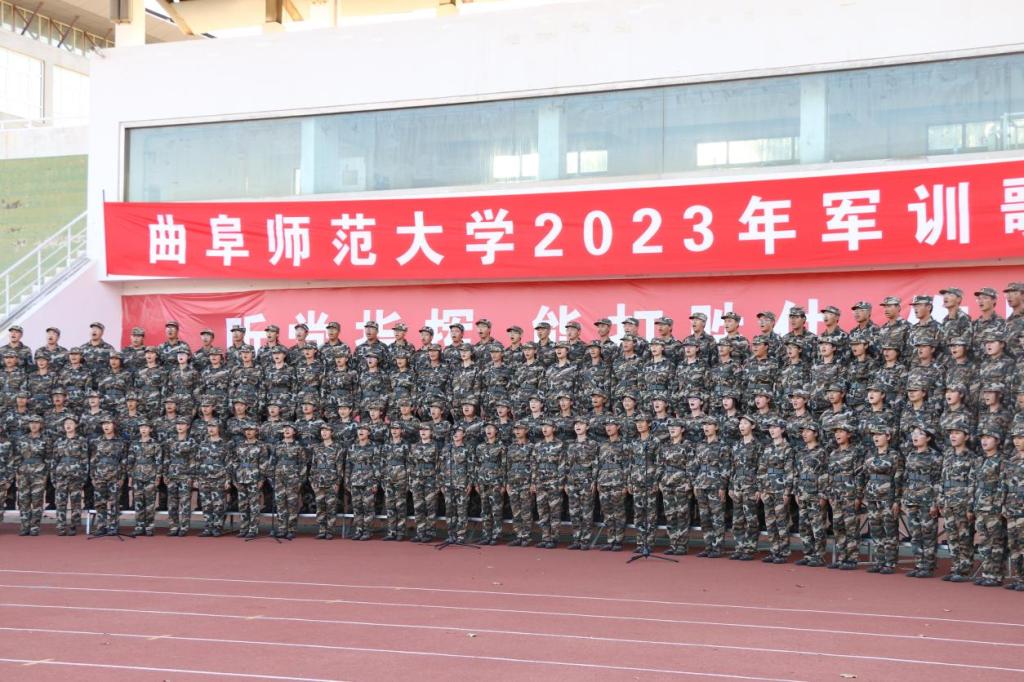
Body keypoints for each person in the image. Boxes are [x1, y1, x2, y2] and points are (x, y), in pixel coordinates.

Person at [938, 417, 976, 582]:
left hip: (963, 502)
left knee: (964, 536)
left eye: (957, 433)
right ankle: (955, 567)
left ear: (966, 436)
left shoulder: (972, 457)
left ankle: (965, 570)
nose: (953, 436)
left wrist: (970, 506)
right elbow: (942, 478)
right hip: (948, 501)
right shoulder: (948, 455)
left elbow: (973, 482)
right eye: (951, 433)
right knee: (952, 536)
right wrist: (941, 499)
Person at [901, 426, 942, 578]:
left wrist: (935, 503)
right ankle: (919, 564)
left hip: (927, 500)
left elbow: (938, 481)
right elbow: (906, 478)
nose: (915, 436)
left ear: (929, 438)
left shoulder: (935, 457)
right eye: (913, 434)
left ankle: (928, 566)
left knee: (928, 534)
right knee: (915, 535)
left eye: (919, 434)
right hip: (912, 500)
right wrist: (905, 498)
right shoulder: (910, 455)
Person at [825, 423, 863, 570]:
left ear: (849, 434)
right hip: (836, 495)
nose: (837, 435)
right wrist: (829, 493)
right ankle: (842, 558)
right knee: (838, 527)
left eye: (841, 431)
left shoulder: (855, 452)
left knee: (850, 527)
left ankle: (852, 559)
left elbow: (859, 475)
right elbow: (830, 475)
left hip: (849, 495)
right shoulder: (833, 454)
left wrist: (858, 496)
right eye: (836, 432)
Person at [864, 425, 901, 575]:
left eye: (879, 434)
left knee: (889, 531)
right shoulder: (870, 454)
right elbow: (864, 474)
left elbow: (898, 478)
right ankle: (879, 561)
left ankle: (890, 563)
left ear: (888, 437)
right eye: (874, 435)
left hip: (887, 498)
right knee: (875, 530)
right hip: (872, 498)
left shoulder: (894, 455)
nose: (876, 437)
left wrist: (897, 500)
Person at [758, 417, 794, 563]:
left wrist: (787, 491)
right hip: (767, 490)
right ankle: (774, 551)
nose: (772, 430)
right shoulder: (767, 448)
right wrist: (761, 489)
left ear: (782, 430)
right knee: (770, 522)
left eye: (775, 427)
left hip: (780, 490)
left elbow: (789, 471)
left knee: (781, 522)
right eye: (770, 428)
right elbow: (761, 469)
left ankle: (783, 552)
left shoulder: (787, 448)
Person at [972, 427, 1005, 587]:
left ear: (997, 441)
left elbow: (1003, 485)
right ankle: (987, 573)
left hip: (993, 508)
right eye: (982, 438)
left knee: (996, 542)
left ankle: (995, 575)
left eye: (988, 437)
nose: (984, 441)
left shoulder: (1002, 461)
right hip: (980, 506)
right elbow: (975, 483)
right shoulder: (980, 460)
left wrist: (998, 507)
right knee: (984, 541)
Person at [233, 422, 272, 539]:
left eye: (251, 430)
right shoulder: (240, 445)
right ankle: (244, 528)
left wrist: (261, 479)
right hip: (241, 478)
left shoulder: (261, 446)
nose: (248, 432)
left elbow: (264, 464)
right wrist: (234, 479)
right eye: (246, 430)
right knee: (242, 505)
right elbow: (235, 462)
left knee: (254, 505)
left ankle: (253, 529)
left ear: (256, 431)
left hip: (254, 478)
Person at [532, 418, 565, 548]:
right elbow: (534, 464)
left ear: (554, 429)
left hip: (554, 482)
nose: (544, 429)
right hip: (540, 482)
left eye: (548, 426)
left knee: (554, 512)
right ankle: (545, 538)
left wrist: (560, 483)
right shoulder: (538, 445)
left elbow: (562, 465)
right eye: (543, 427)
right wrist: (534, 482)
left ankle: (554, 538)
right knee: (542, 512)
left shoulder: (560, 445)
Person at [90, 416, 126, 536]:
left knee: (114, 502)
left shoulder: (121, 442)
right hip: (99, 476)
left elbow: (124, 461)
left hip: (115, 476)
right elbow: (93, 460)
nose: (106, 426)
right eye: (104, 424)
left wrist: (122, 477)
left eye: (109, 423)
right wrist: (93, 476)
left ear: (114, 425)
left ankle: (113, 526)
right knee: (100, 502)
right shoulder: (96, 441)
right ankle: (101, 526)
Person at [597, 418, 629, 551]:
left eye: (611, 425)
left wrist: (626, 483)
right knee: (607, 512)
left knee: (618, 512)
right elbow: (599, 464)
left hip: (618, 482)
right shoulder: (603, 445)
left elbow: (627, 465)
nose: (608, 428)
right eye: (606, 425)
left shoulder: (624, 444)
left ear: (618, 427)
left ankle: (619, 540)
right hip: (604, 482)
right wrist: (598, 481)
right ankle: (610, 539)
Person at [14, 415, 49, 536]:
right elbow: (17, 457)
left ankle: (34, 527)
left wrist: (45, 474)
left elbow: (48, 458)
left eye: (36, 423)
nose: (34, 425)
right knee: (23, 500)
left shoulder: (45, 439)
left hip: (39, 474)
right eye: (31, 423)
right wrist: (17, 472)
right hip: (23, 473)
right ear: (28, 425)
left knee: (37, 501)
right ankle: (24, 526)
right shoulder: (22, 439)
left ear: (41, 425)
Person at [196, 422, 232, 537]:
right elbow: (197, 461)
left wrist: (228, 480)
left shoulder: (225, 444)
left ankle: (217, 527)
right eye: (209, 427)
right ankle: (208, 527)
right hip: (204, 478)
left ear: (219, 428)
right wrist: (196, 478)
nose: (211, 429)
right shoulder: (202, 444)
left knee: (219, 505)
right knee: (206, 504)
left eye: (213, 427)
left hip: (219, 478)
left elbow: (229, 463)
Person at [273, 423, 308, 540]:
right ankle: (281, 529)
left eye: (289, 428)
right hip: (279, 479)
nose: (286, 430)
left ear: (294, 432)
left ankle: (291, 529)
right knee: (280, 504)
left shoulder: (298, 447)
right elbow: (272, 462)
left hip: (293, 479)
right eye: (285, 428)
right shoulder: (277, 445)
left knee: (292, 504)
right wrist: (272, 478)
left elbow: (303, 464)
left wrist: (300, 480)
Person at [128, 421, 163, 537]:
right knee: (138, 503)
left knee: (149, 504)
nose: (143, 429)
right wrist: (130, 476)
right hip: (137, 476)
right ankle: (139, 526)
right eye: (141, 427)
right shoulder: (134, 444)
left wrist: (158, 476)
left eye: (146, 427)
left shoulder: (155, 444)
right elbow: (130, 461)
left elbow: (159, 462)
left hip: (150, 477)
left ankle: (149, 527)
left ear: (150, 429)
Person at [474, 422, 506, 545]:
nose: (488, 430)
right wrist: (476, 482)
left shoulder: (501, 446)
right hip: (482, 482)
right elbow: (477, 465)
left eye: (491, 428)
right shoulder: (480, 447)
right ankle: (486, 534)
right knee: (485, 510)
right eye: (487, 428)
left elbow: (505, 466)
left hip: (496, 482)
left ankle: (496, 535)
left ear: (496, 431)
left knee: (496, 509)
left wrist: (504, 484)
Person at [163, 416, 196, 536]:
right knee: (172, 503)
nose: (180, 426)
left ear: (187, 426)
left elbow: (193, 460)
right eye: (178, 424)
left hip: (185, 476)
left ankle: (184, 527)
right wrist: (165, 474)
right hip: (172, 475)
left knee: (185, 503)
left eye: (182, 424)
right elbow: (166, 458)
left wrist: (192, 476)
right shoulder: (170, 441)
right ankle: (173, 527)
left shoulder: (191, 442)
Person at [440, 425, 472, 544]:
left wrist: (470, 483)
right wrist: (441, 483)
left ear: (463, 434)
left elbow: (471, 467)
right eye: (454, 431)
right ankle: (451, 535)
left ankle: (461, 536)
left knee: (461, 511)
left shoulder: (467, 449)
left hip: (462, 484)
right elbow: (441, 466)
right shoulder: (446, 449)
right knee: (449, 511)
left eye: (458, 431)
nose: (455, 433)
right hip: (448, 484)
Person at [409, 423, 439, 543]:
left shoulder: (435, 446)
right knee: (418, 507)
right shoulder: (414, 446)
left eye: (426, 430)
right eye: (421, 430)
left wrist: (438, 481)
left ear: (431, 432)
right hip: (417, 479)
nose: (423, 432)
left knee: (430, 507)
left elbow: (439, 464)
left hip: (430, 479)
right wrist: (411, 480)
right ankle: (420, 532)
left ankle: (430, 533)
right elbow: (411, 464)